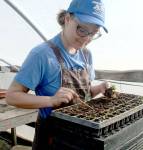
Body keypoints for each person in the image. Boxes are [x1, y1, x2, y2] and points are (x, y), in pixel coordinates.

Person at [6, 0, 109, 149]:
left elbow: (84, 96)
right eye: (82, 29)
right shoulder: (42, 55)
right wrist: (51, 100)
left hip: (81, 136)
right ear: (67, 19)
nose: (86, 38)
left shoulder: (87, 55)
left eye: (93, 33)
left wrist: (99, 88)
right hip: (52, 138)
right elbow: (12, 96)